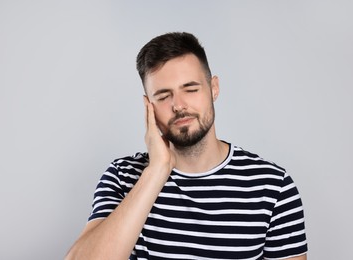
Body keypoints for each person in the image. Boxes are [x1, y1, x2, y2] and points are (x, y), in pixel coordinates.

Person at [66, 32, 308, 260]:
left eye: (190, 89)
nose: (178, 105)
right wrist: (157, 171)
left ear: (214, 89)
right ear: (147, 105)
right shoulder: (122, 176)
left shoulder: (273, 186)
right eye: (163, 96)